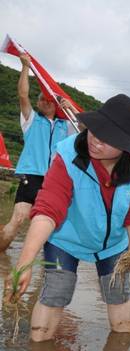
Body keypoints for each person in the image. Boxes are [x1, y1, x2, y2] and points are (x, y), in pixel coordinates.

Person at [9, 94, 130, 342]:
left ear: (127, 147)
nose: (96, 141)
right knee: (56, 291)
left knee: (118, 294)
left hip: (112, 245)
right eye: (96, 131)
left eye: (108, 139)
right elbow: (47, 210)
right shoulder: (67, 155)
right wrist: (25, 263)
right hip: (65, 238)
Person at [0, 53, 76, 252]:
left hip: (55, 179)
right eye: (41, 98)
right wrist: (25, 67)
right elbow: (23, 95)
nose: (44, 101)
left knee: (54, 225)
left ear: (55, 104)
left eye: (49, 99)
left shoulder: (66, 125)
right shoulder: (31, 120)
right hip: (31, 175)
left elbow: (87, 132)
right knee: (17, 219)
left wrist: (73, 111)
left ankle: (48, 270)